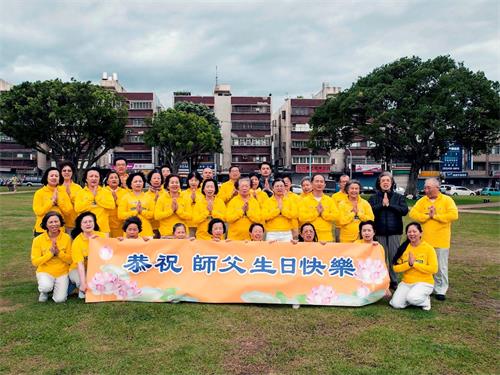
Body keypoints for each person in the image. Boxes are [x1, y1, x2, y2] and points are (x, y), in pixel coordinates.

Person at [409, 177, 458, 301]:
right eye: (425, 188)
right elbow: (413, 214)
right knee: (425, 266)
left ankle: (441, 289)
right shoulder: (422, 201)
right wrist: (426, 217)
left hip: (441, 240)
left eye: (428, 188)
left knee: (440, 267)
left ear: (437, 187)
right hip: (424, 241)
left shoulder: (447, 200)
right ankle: (428, 287)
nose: (426, 190)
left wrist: (435, 216)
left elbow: (453, 215)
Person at [369, 172, 409, 290]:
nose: (385, 183)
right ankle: (381, 280)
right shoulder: (373, 198)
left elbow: (404, 211)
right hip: (379, 232)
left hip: (394, 231)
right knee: (381, 257)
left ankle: (393, 280)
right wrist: (382, 205)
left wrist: (390, 205)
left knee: (393, 257)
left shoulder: (399, 197)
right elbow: (370, 211)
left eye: (388, 181)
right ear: (379, 183)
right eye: (383, 181)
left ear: (392, 183)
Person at [390, 222, 438, 311]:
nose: (412, 234)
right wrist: (408, 264)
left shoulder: (428, 249)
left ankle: (425, 300)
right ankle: (411, 298)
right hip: (407, 282)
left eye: (414, 231)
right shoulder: (404, 248)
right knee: (396, 304)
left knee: (412, 298)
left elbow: (434, 269)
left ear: (420, 233)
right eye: (409, 232)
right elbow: (396, 268)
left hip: (424, 282)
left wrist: (414, 264)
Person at [31, 211, 72, 303]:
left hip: (62, 272)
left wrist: (58, 253)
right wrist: (50, 254)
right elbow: (35, 262)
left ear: (60, 223)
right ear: (46, 224)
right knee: (46, 287)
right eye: (51, 222)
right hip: (45, 271)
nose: (54, 224)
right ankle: (44, 292)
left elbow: (70, 260)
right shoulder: (38, 240)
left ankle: (59, 287)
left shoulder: (67, 238)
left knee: (59, 300)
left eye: (56, 221)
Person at [69, 212, 105, 299]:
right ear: (80, 225)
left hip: (94, 268)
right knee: (83, 282)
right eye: (85, 222)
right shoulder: (77, 242)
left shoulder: (101, 236)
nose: (88, 224)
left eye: (90, 221)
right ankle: (79, 286)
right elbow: (80, 265)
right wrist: (83, 283)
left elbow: (109, 254)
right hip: (78, 268)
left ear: (94, 223)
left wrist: (120, 240)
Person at [32, 167, 72, 237]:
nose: (54, 178)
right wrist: (51, 202)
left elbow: (68, 211)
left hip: (59, 230)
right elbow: (38, 212)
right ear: (46, 177)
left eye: (56, 176)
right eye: (51, 176)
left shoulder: (63, 192)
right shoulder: (39, 193)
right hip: (42, 230)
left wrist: (59, 202)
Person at [74, 168, 115, 236]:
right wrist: (91, 197)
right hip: (86, 229)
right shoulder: (80, 193)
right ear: (86, 179)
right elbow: (78, 209)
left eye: (96, 176)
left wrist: (97, 199)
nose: (94, 178)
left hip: (103, 229)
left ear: (99, 179)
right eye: (91, 176)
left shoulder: (106, 192)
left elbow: (111, 206)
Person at [298, 174, 338, 242]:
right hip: (310, 237)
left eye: (321, 182)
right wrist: (316, 213)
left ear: (325, 185)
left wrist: (323, 213)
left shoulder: (329, 200)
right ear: (312, 184)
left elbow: (336, 216)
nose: (319, 184)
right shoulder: (305, 201)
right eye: (317, 181)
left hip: (326, 237)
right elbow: (302, 218)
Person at [118, 172, 155, 239]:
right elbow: (120, 215)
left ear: (143, 183)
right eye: (135, 181)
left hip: (146, 232)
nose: (138, 183)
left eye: (140, 181)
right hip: (129, 233)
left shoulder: (149, 197)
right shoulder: (125, 197)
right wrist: (135, 212)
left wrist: (142, 212)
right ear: (130, 184)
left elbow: (152, 214)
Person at [59, 161, 83, 234]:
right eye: (64, 170)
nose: (67, 172)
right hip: (59, 224)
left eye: (69, 171)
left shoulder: (78, 188)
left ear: (72, 173)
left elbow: (80, 205)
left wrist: (70, 195)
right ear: (60, 172)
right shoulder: (57, 187)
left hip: (73, 223)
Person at [104, 171, 127, 238]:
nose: (114, 179)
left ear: (119, 181)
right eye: (111, 178)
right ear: (107, 181)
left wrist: (116, 200)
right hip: (106, 224)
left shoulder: (124, 192)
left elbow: (126, 205)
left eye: (116, 178)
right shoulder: (103, 191)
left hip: (120, 224)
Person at [181, 171, 203, 237]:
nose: (193, 182)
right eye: (191, 180)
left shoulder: (203, 193)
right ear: (188, 181)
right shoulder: (182, 194)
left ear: (199, 181)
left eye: (196, 180)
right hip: (187, 225)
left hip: (201, 224)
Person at [145, 169, 165, 238]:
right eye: (154, 178)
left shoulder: (166, 194)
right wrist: (155, 201)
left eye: (158, 178)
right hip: (151, 226)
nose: (156, 180)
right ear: (150, 180)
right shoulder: (145, 195)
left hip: (164, 226)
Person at [332, 174, 350, 242]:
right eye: (343, 181)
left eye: (347, 181)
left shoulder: (354, 195)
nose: (345, 183)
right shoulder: (335, 197)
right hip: (339, 227)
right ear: (339, 183)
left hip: (351, 225)